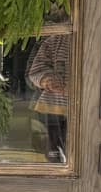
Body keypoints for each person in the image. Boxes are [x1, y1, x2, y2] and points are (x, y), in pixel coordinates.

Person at [27, 34, 69, 162]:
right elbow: (34, 71)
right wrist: (46, 79)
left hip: (86, 108)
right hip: (53, 109)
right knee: (53, 152)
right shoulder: (56, 39)